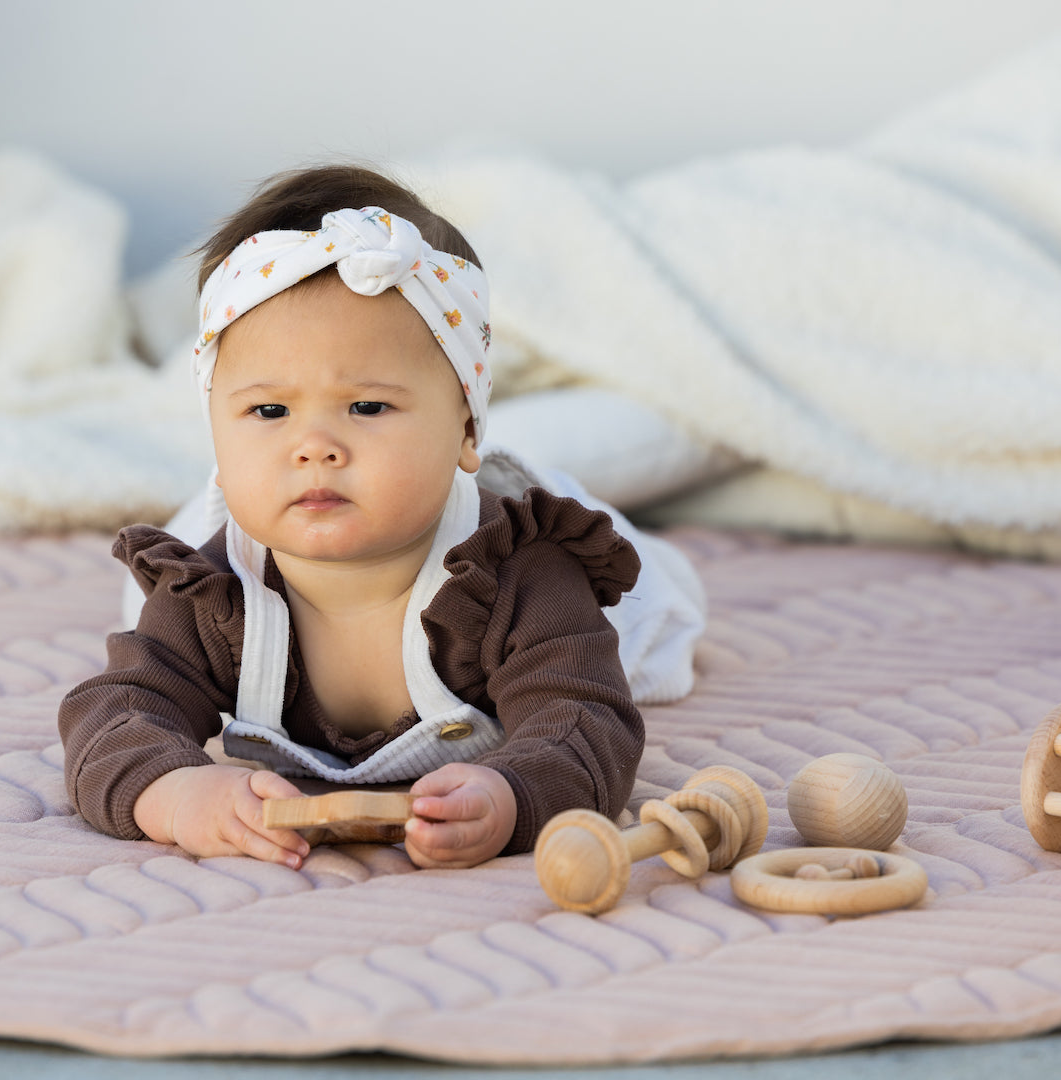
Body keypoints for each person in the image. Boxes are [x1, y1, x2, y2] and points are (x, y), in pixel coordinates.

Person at [58, 165, 652, 870]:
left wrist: (513, 796)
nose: (315, 447)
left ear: (466, 428)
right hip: (249, 521)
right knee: (147, 594)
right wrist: (178, 794)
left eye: (367, 407)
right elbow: (114, 714)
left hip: (553, 557)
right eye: (269, 411)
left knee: (657, 618)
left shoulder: (519, 574)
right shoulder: (216, 593)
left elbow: (587, 721)